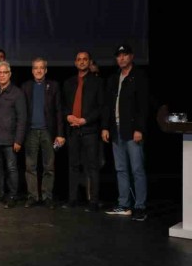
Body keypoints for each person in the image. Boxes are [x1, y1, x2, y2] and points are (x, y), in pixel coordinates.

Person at [102, 44, 149, 221]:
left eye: (125, 55)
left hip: (132, 130)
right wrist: (105, 127)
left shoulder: (139, 76)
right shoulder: (114, 78)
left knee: (137, 169)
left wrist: (139, 129)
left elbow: (143, 105)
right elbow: (107, 105)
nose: (121, 58)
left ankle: (140, 206)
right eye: (119, 55)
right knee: (120, 169)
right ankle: (124, 204)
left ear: (131, 57)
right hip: (116, 129)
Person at [62, 51, 104, 212]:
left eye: (85, 59)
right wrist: (68, 116)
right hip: (73, 130)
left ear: (89, 62)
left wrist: (85, 120)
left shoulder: (97, 82)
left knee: (92, 167)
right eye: (79, 59)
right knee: (73, 166)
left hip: (90, 130)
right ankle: (72, 199)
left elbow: (101, 107)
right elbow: (63, 105)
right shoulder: (69, 83)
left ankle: (93, 201)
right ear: (75, 62)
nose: (82, 62)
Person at [21, 57, 64, 209]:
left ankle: (47, 197)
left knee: (49, 166)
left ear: (46, 70)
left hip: (48, 132)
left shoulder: (54, 86)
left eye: (41, 68)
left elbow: (59, 111)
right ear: (32, 70)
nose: (38, 70)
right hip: (31, 132)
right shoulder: (26, 86)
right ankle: (32, 196)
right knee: (30, 166)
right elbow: (22, 112)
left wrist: (60, 133)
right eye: (36, 68)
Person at [0, 61, 27, 208]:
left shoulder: (17, 93)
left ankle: (12, 196)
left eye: (5, 72)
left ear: (10, 74)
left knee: (11, 169)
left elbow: (22, 118)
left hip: (10, 140)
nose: (2, 75)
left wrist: (18, 140)